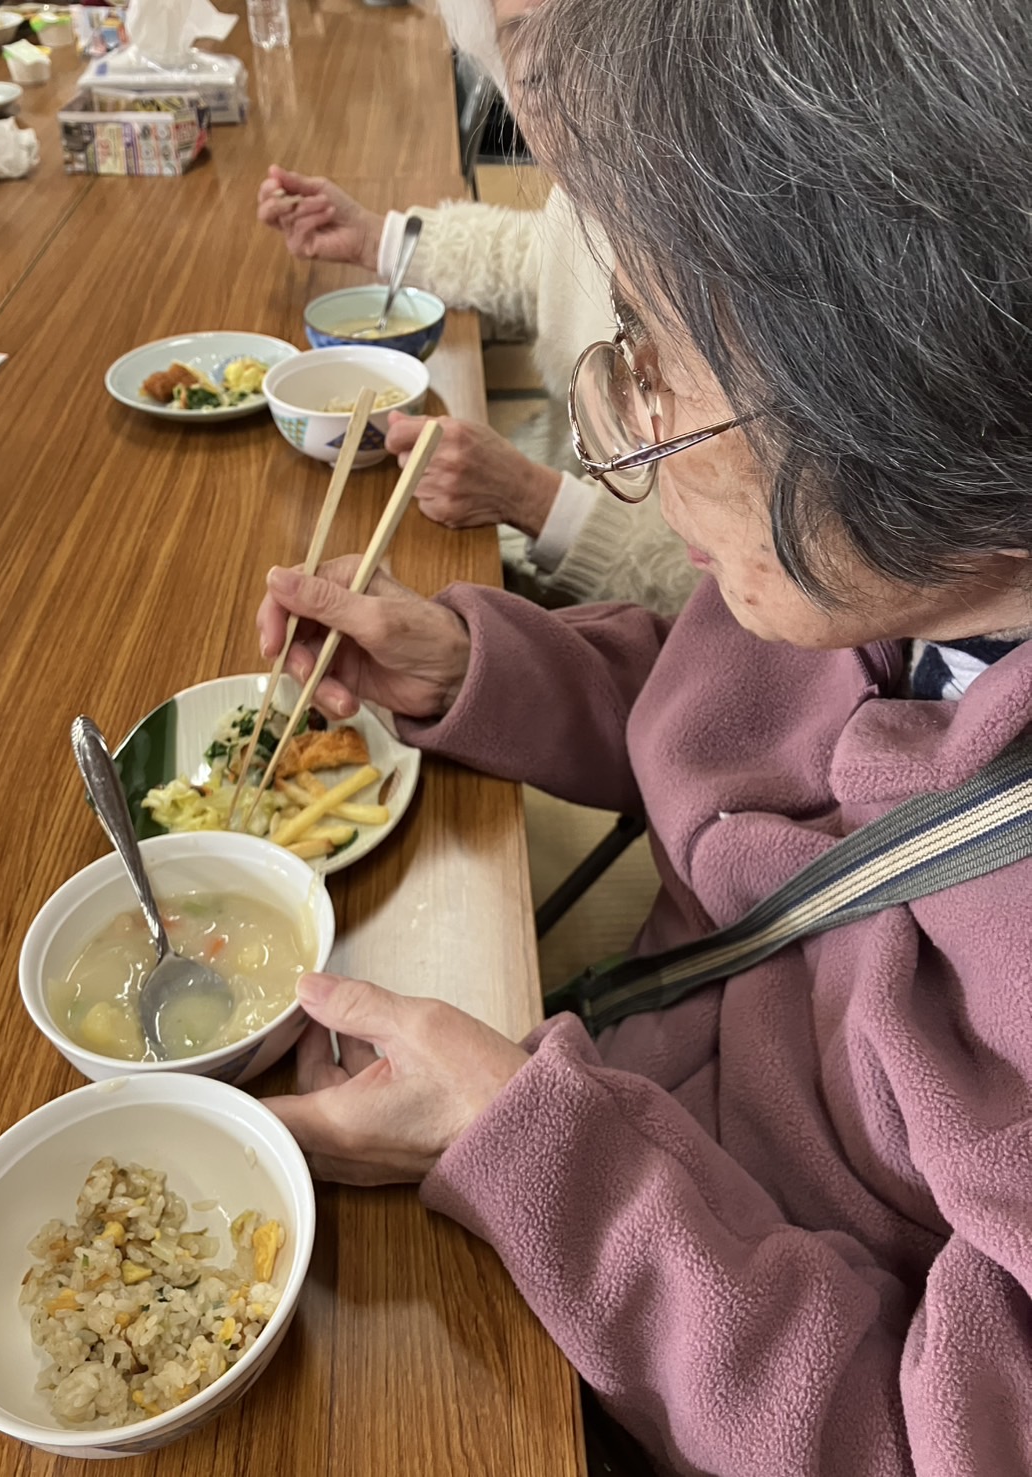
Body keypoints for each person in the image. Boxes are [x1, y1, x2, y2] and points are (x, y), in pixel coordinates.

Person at [253, 0, 1032, 1471]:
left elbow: (908, 1441)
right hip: (624, 1067)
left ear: (916, 396)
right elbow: (743, 751)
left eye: (652, 364)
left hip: (668, 1322)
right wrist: (476, 667)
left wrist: (539, 1153)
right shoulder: (883, 571)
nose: (618, 431)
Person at [255, 2, 700, 616]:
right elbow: (543, 261)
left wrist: (537, 502)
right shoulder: (602, 195)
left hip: (636, 627)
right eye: (535, 73)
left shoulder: (754, 257)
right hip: (562, 483)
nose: (579, 100)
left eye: (608, 49)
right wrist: (380, 240)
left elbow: (735, 608)